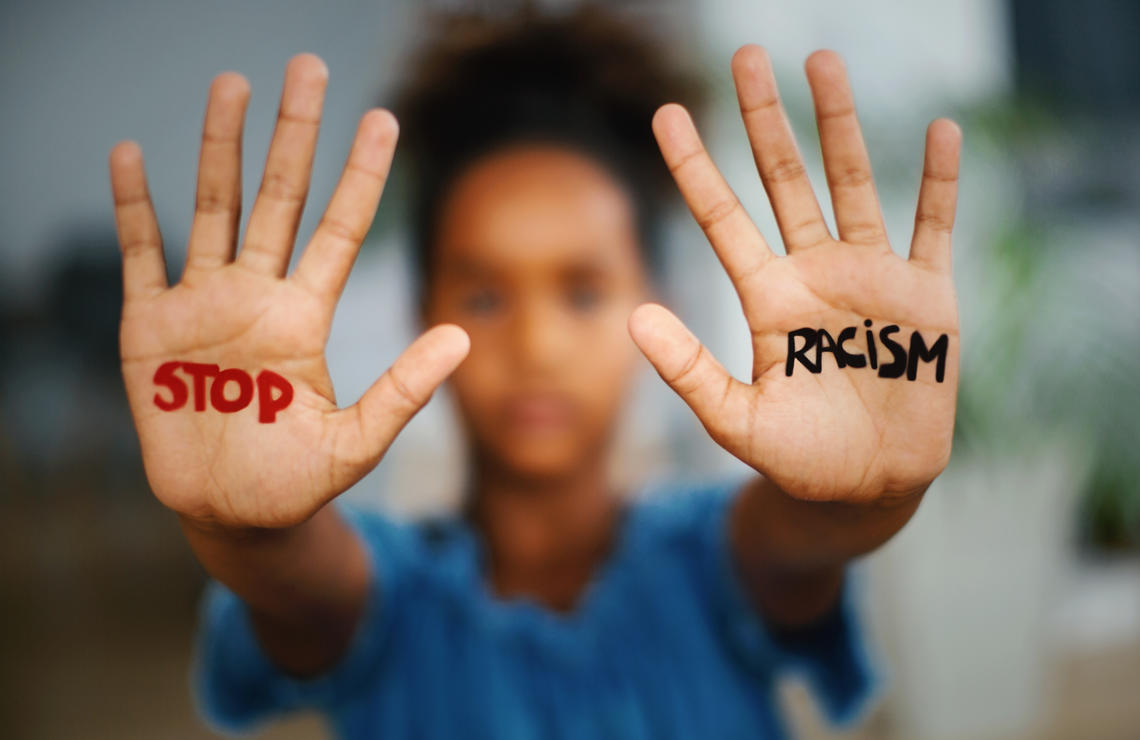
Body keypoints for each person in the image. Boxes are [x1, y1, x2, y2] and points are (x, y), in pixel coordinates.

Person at [107, 5, 961, 739]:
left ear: (654, 298)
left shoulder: (715, 560)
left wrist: (861, 498)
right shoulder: (388, 593)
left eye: (583, 292)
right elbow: (305, 591)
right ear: (421, 309)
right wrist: (250, 533)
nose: (537, 346)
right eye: (483, 296)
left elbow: (795, 543)